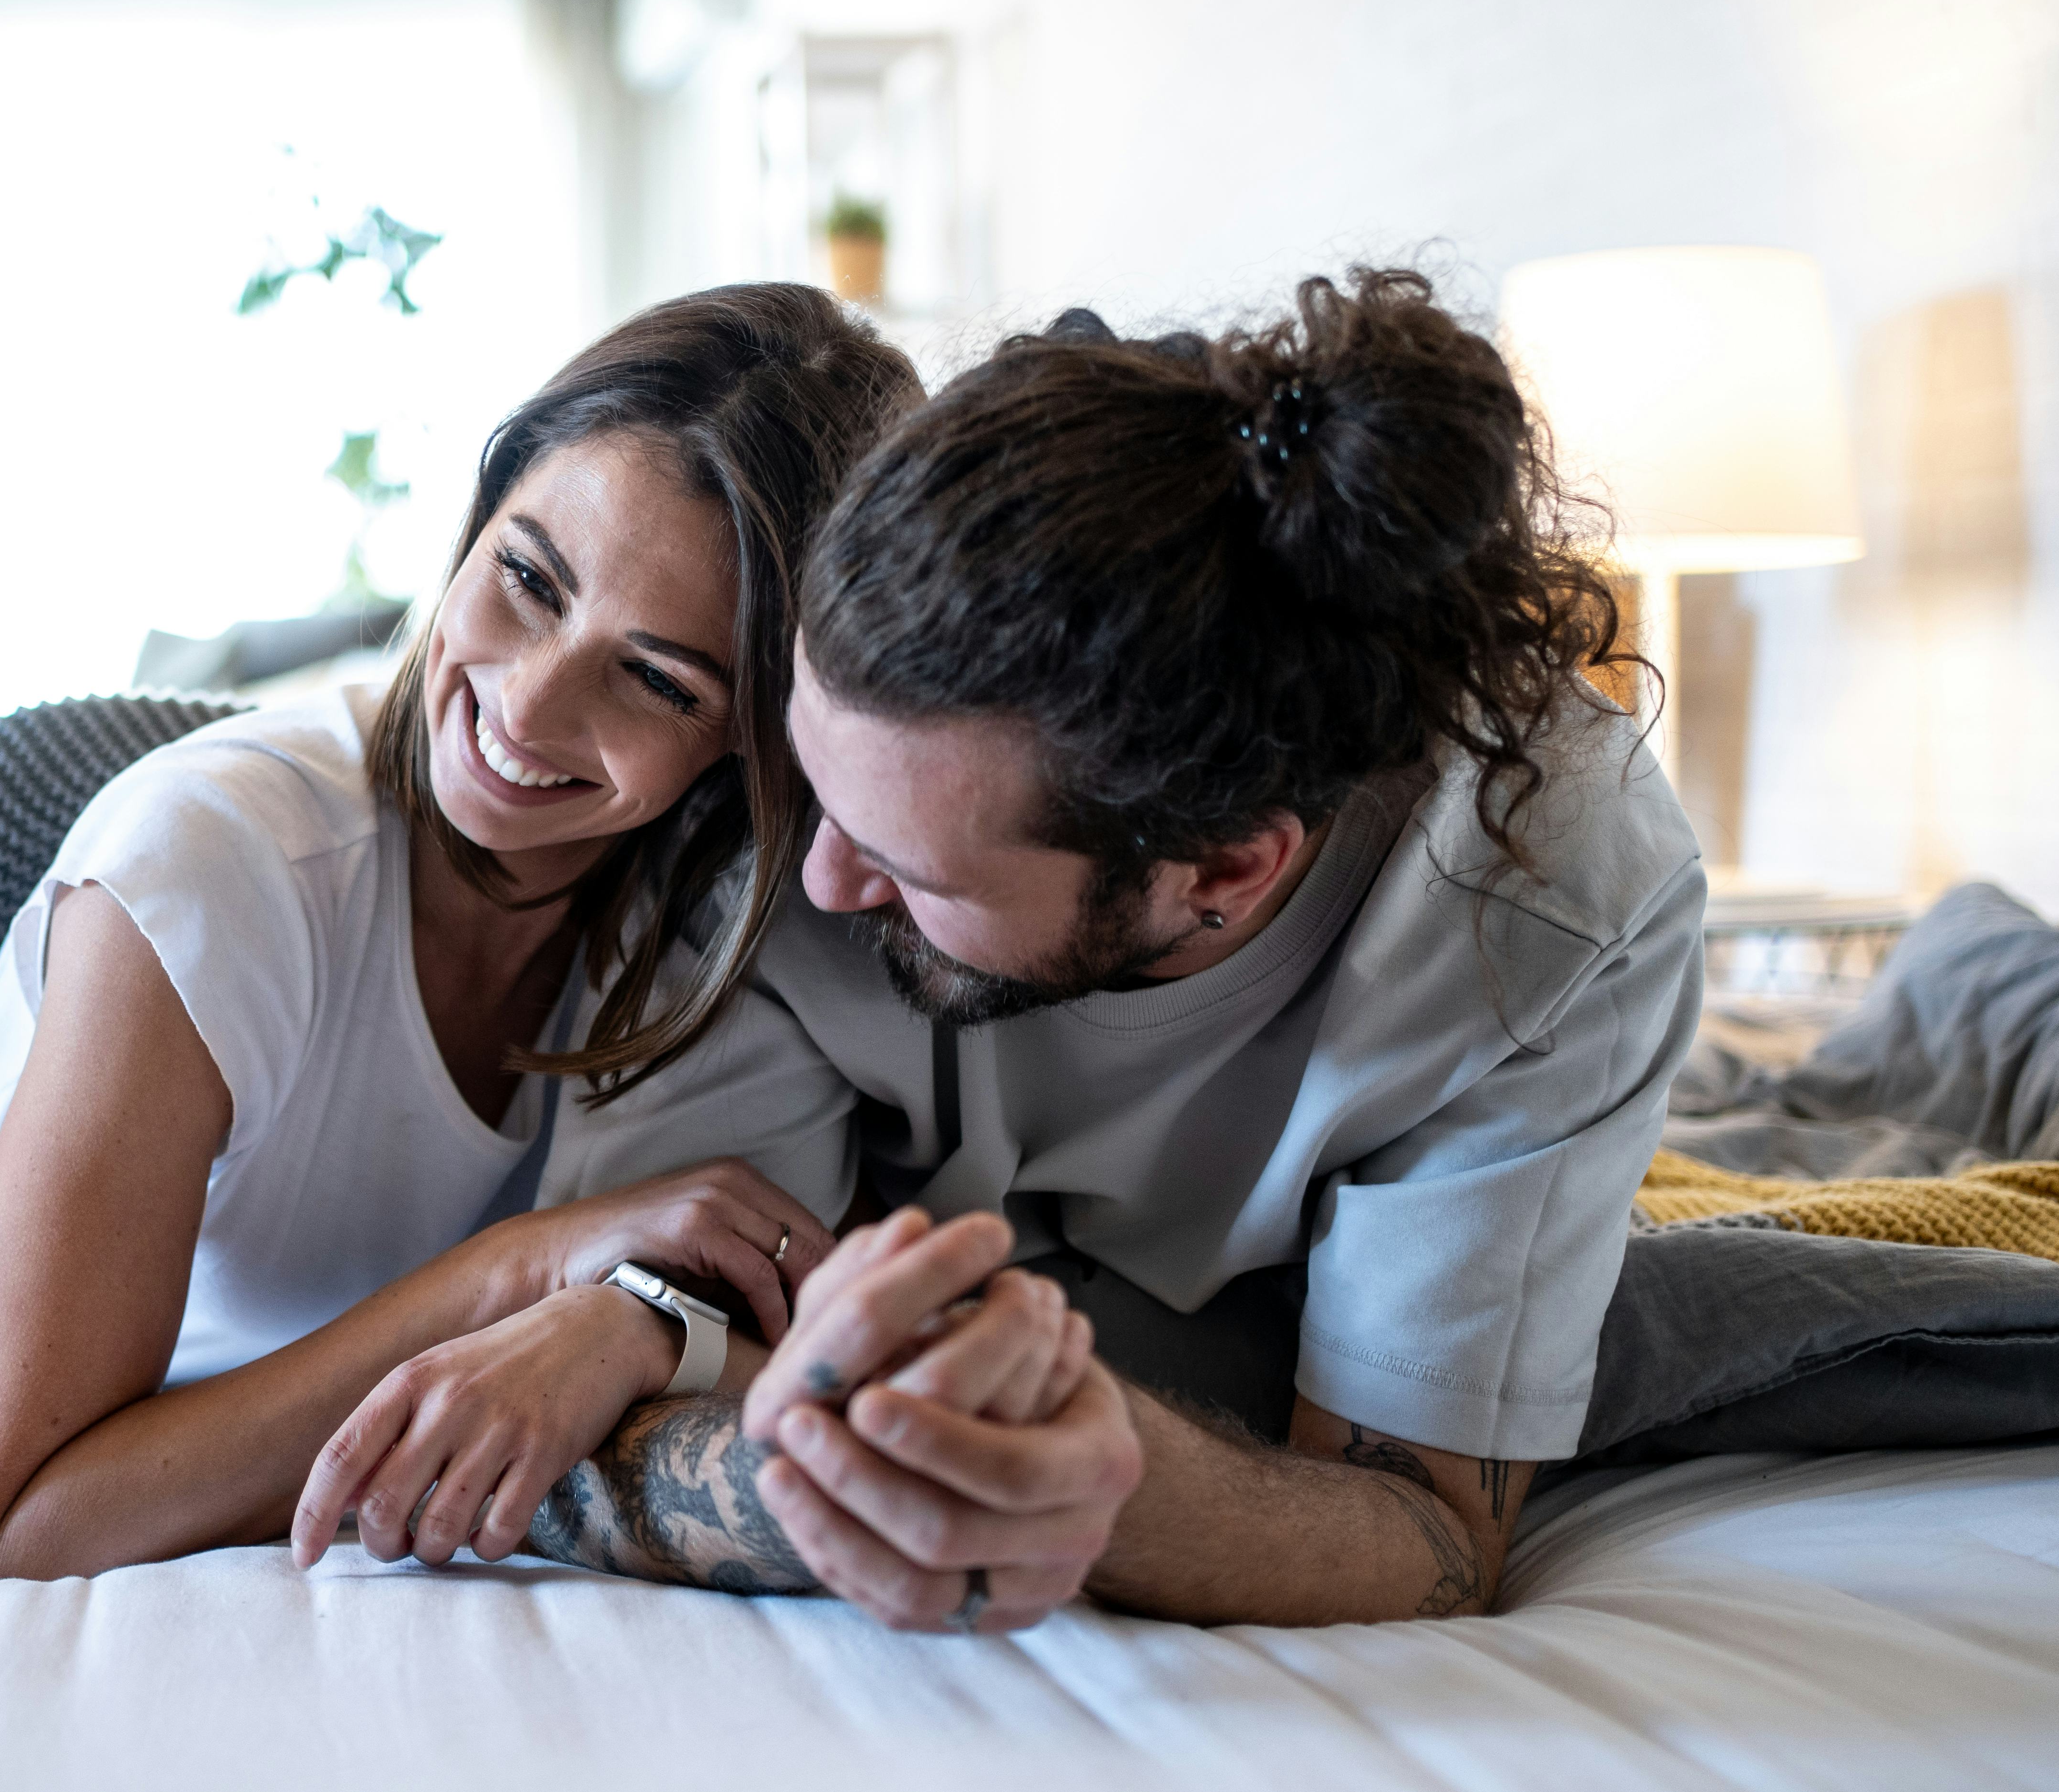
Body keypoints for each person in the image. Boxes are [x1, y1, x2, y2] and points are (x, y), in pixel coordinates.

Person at [472, 268, 1706, 1632]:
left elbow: (1431, 1530)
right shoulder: (772, 791)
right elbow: (595, 1374)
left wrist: (1101, 1484)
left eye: (910, 868)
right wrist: (791, 1428)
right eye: (818, 787)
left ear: (1226, 869)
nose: (818, 879)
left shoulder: (1550, 906)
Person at [0, 284, 932, 1583]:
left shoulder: (722, 938)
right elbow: (12, 1521)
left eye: (658, 677)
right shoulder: (219, 871)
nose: (530, 705)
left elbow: (748, 1320)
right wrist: (513, 1273)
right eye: (528, 578)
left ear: (755, 738)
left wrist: (634, 1324)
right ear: (478, 519)